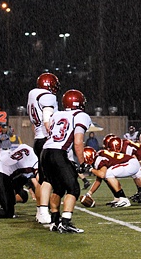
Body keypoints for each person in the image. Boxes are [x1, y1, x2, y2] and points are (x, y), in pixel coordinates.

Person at [41, 89, 92, 233]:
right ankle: (65, 222)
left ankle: (54, 221)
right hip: (58, 153)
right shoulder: (81, 115)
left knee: (58, 188)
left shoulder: (57, 114)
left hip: (45, 153)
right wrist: (82, 163)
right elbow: (78, 142)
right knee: (73, 189)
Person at [27, 71, 60, 224]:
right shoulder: (47, 97)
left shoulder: (33, 94)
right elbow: (47, 120)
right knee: (48, 179)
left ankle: (41, 210)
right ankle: (43, 210)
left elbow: (35, 125)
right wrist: (53, 136)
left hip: (38, 139)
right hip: (46, 140)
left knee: (43, 178)